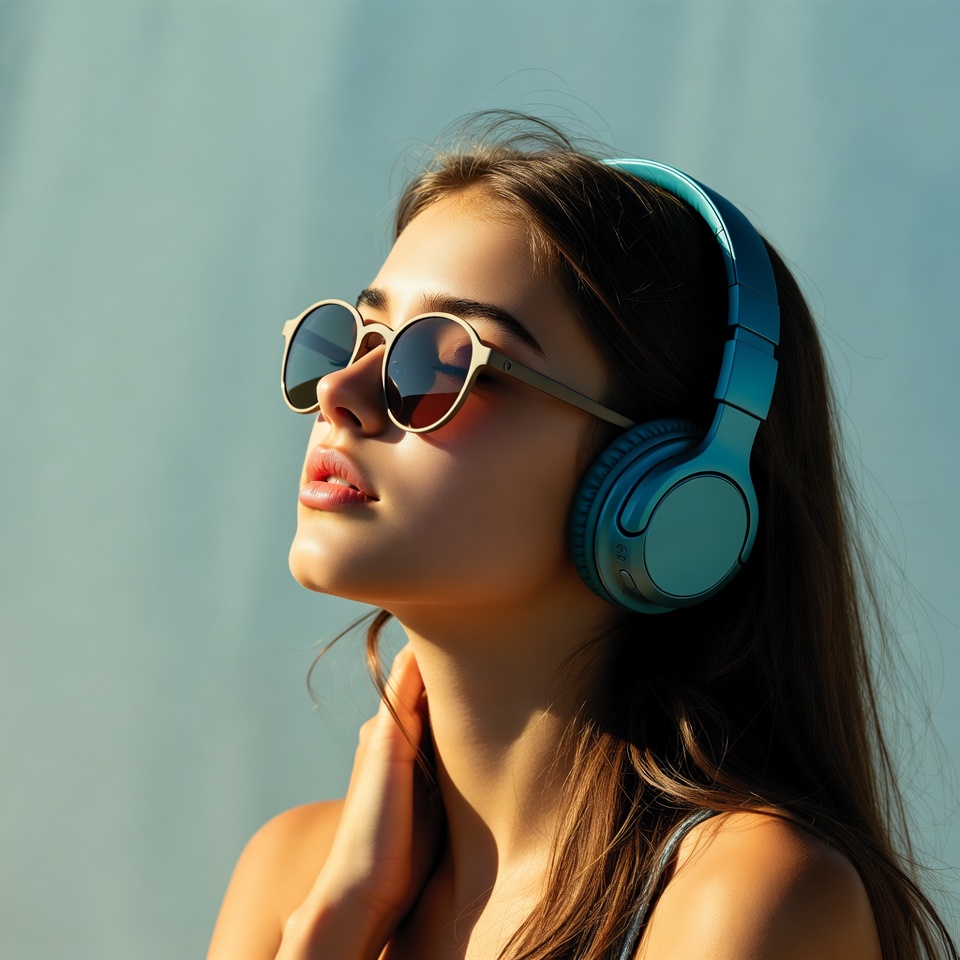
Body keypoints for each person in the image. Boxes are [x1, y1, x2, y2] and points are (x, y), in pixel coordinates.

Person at [206, 114, 957, 960]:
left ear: (668, 489)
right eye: (360, 336)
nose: (340, 391)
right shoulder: (294, 877)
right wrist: (334, 927)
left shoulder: (744, 902)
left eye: (445, 365)